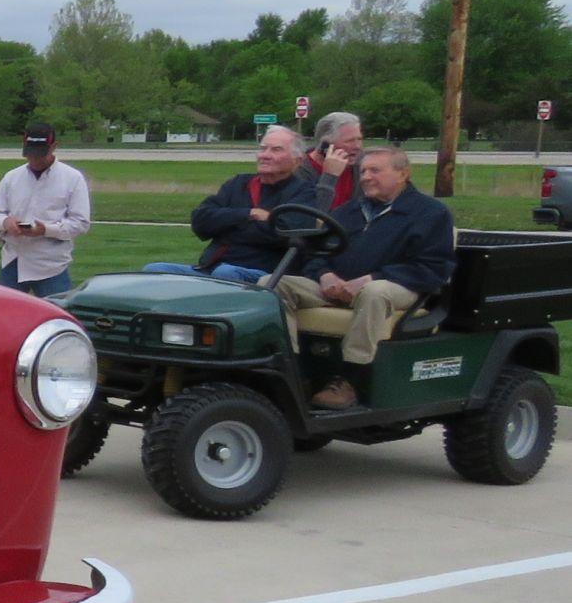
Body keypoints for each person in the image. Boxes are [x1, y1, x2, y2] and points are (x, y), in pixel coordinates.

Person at [274, 145, 455, 408]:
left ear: (403, 174)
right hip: (338, 285)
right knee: (275, 285)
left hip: (400, 287)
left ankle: (350, 380)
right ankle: (291, 371)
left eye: (375, 170)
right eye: (362, 171)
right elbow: (316, 252)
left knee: (374, 292)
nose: (366, 177)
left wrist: (372, 278)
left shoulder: (429, 214)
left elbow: (433, 267)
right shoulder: (349, 211)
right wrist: (325, 275)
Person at [146, 124, 321, 284]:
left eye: (276, 150)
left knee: (226, 274)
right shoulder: (238, 184)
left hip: (265, 277)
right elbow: (200, 221)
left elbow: (285, 235)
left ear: (297, 160)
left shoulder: (304, 193)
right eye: (263, 149)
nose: (265, 155)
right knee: (154, 271)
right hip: (209, 269)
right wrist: (248, 214)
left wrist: (225, 227)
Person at [0, 123, 91, 296]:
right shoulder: (12, 177)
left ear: (54, 147)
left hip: (51, 266)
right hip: (13, 261)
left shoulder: (73, 178)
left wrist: (46, 230)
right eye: (30, 154)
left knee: (57, 318)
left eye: (40, 154)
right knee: (5, 318)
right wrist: (6, 222)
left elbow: (80, 223)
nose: (35, 159)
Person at [301, 111, 362, 212]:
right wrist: (330, 176)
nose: (357, 146)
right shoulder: (300, 171)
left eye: (359, 139)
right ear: (325, 145)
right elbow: (314, 216)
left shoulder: (362, 166)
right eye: (349, 141)